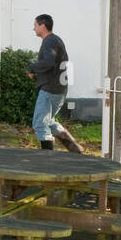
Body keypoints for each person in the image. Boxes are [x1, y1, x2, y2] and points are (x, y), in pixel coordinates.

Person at [26, 14, 81, 152]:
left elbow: (49, 62)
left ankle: (47, 157)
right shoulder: (57, 40)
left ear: (42, 25)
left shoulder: (49, 41)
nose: (34, 29)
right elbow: (56, 63)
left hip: (50, 89)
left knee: (39, 123)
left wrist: (32, 68)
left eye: (35, 25)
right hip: (59, 89)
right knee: (49, 121)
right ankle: (74, 147)